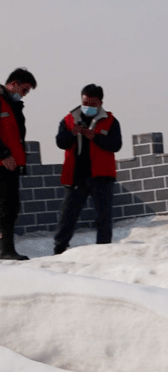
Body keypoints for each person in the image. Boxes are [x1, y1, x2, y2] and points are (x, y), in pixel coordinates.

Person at [54, 84, 122, 255]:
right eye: (86, 103)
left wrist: (95, 137)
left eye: (92, 104)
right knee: (67, 214)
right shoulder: (69, 120)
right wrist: (72, 134)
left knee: (103, 215)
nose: (88, 107)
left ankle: (104, 248)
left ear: (100, 102)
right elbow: (60, 142)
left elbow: (116, 145)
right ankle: (59, 249)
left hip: (101, 176)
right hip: (75, 176)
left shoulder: (110, 121)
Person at [0, 68, 37, 260]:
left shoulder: (14, 107)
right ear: (13, 84)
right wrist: (4, 153)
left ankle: (6, 248)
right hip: (2, 162)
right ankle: (5, 250)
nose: (24, 95)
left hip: (11, 165)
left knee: (11, 207)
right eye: (24, 90)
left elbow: (17, 138)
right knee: (5, 207)